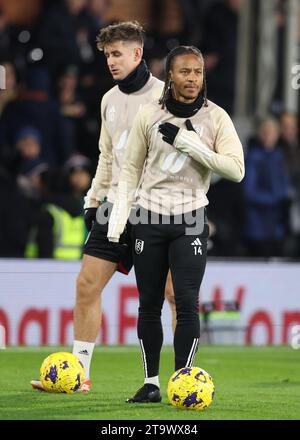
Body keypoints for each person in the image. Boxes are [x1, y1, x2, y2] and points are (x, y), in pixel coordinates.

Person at [30, 21, 176, 392]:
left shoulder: (166, 98)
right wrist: (94, 200)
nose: (111, 61)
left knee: (175, 295)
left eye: (117, 54)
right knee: (86, 284)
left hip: (155, 209)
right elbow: (106, 157)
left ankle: (183, 375)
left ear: (137, 53)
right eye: (107, 55)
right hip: (115, 205)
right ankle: (79, 376)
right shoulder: (109, 100)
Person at [108, 45, 245, 403]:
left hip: (190, 219)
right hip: (148, 218)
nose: (192, 79)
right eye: (184, 72)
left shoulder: (216, 117)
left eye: (197, 72)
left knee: (186, 303)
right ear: (170, 75)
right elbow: (130, 172)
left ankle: (183, 381)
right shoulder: (148, 115)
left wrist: (189, 144)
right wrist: (118, 222)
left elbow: (236, 170)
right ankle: (151, 383)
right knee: (148, 303)